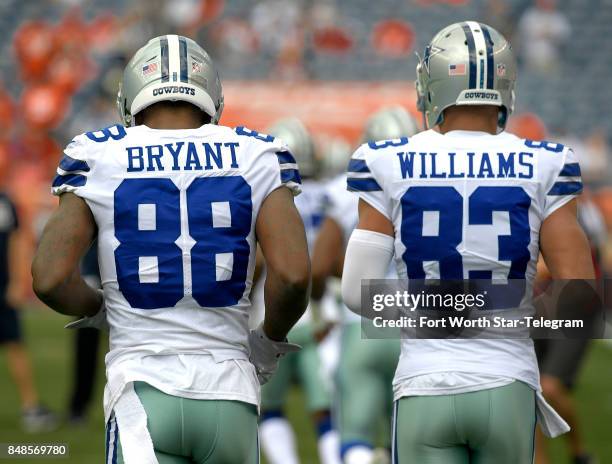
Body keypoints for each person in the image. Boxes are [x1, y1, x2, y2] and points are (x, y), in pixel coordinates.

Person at [32, 34, 310, 463]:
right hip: (230, 390)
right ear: (212, 95)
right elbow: (292, 276)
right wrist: (269, 340)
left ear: (131, 96)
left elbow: (49, 278)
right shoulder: (259, 153)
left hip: (141, 390)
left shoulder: (97, 155)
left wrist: (99, 307)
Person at [341, 21, 594, 463]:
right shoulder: (545, 163)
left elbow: (355, 293)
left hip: (426, 380)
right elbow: (578, 295)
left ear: (433, 82)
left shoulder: (386, 160)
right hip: (507, 380)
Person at [311, 106, 418, 464]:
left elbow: (319, 267)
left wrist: (321, 307)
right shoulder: (431, 188)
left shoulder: (345, 192)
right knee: (408, 438)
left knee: (354, 432)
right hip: (415, 326)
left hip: (363, 324)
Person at [252, 118, 340, 464]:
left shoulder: (265, 197)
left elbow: (259, 262)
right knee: (326, 412)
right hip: (322, 316)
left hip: (272, 314)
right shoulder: (332, 193)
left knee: (269, 408)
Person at [0, 157, 56, 433]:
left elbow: (16, 242)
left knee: (15, 345)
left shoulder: (6, 202)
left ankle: (30, 406)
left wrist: (15, 282)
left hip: (1, 287)